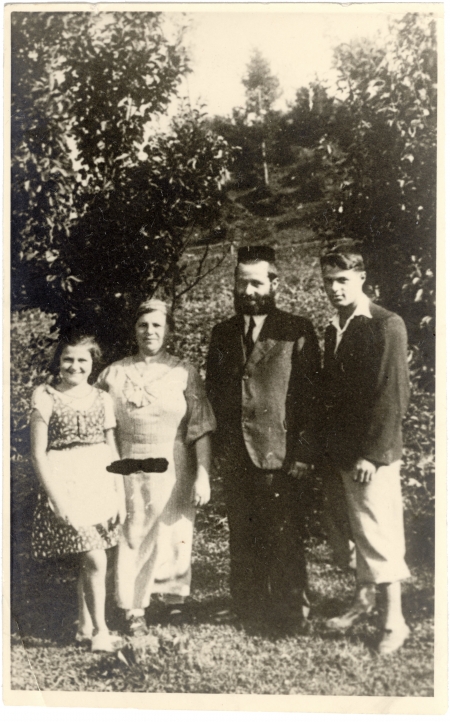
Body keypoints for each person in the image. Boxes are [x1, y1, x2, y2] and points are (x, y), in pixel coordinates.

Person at [206, 245, 321, 627]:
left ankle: (290, 611)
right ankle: (248, 606)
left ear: (275, 283)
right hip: (237, 453)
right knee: (242, 531)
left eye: (256, 283)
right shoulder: (222, 334)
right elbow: (215, 394)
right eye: (242, 283)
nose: (248, 291)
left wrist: (304, 451)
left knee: (284, 533)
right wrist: (221, 447)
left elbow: (308, 394)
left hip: (281, 451)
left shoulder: (296, 329)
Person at [96, 299, 215, 636]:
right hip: (128, 462)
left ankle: (172, 601)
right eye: (143, 325)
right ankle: (133, 609)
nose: (150, 331)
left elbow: (201, 427)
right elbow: (98, 425)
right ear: (134, 330)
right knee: (134, 531)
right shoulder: (113, 373)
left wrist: (203, 475)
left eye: (157, 325)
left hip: (175, 462)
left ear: (168, 331)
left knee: (173, 531)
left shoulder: (184, 372)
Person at [320, 241, 411, 655]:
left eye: (342, 280)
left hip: (371, 456)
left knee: (379, 531)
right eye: (328, 281)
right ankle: (363, 602)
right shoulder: (334, 327)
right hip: (341, 452)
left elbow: (391, 395)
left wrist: (372, 456)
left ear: (361, 278)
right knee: (356, 532)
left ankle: (395, 621)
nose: (335, 288)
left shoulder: (385, 324)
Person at [30, 331, 124, 653]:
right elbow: (38, 453)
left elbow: (111, 449)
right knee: (95, 557)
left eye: (82, 360)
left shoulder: (102, 398)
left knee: (92, 556)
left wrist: (120, 495)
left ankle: (84, 626)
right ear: (59, 361)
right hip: (65, 483)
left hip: (98, 482)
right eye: (68, 359)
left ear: (92, 363)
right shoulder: (45, 396)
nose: (74, 366)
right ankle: (101, 631)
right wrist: (55, 498)